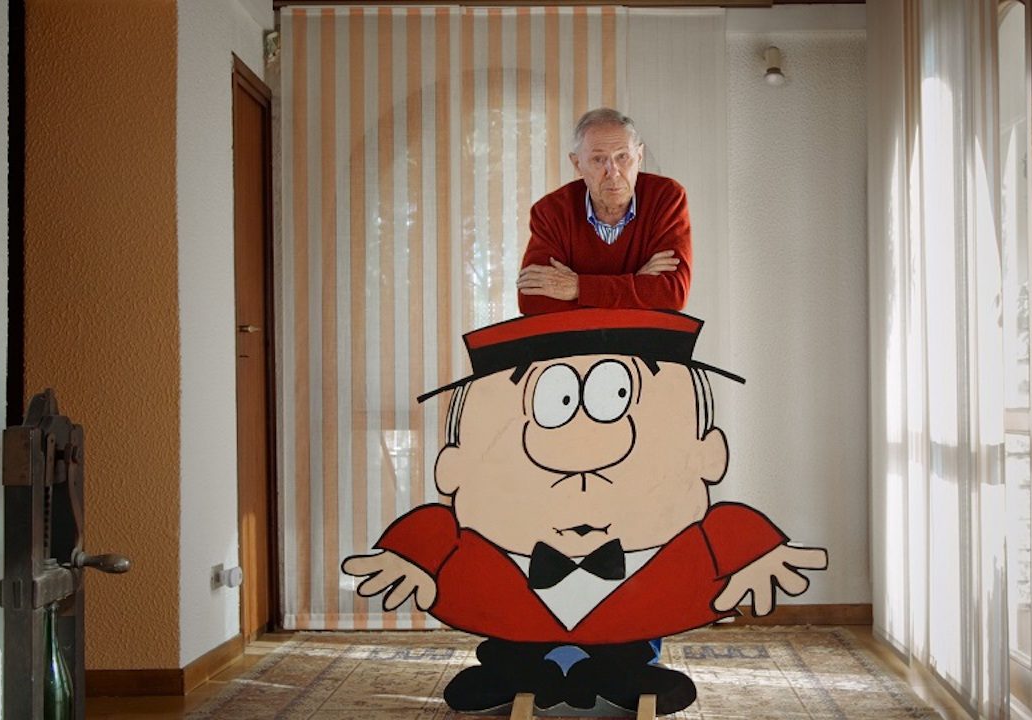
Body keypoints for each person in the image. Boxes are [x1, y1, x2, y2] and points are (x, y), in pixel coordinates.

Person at [342, 308, 828, 715]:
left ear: (709, 454)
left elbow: (723, 529)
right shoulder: (477, 548)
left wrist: (757, 552)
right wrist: (411, 555)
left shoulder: (679, 550)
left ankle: (619, 677)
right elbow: (439, 529)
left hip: (633, 616)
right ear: (452, 467)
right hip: (512, 619)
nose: (580, 455)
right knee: (512, 651)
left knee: (626, 646)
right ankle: (517, 675)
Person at [516, 109, 691, 314]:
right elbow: (533, 302)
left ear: (639, 156)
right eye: (598, 159)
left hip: (644, 337)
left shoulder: (665, 197)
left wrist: (578, 288)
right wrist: (638, 283)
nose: (613, 172)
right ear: (577, 164)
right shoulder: (551, 211)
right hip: (577, 337)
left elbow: (672, 294)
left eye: (623, 156)